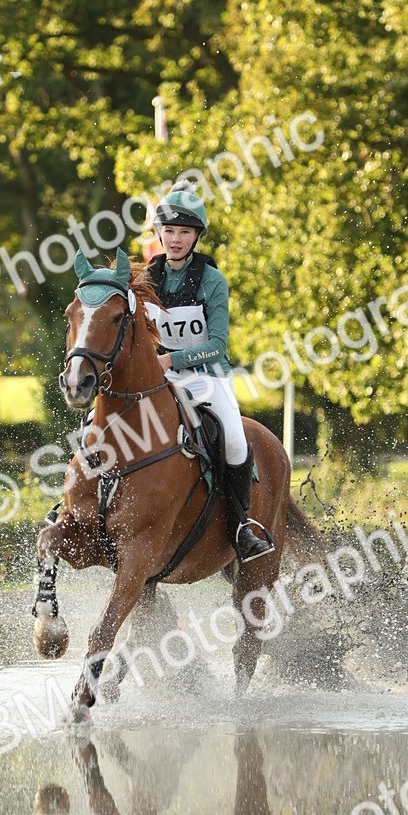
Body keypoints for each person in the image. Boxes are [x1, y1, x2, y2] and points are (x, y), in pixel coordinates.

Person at [145, 179, 273, 563]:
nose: (175, 239)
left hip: (207, 376)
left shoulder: (213, 281)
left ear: (196, 236)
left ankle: (241, 526)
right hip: (161, 377)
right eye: (169, 231)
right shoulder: (148, 278)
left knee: (234, 440)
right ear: (160, 234)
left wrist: (170, 360)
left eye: (184, 232)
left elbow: (218, 343)